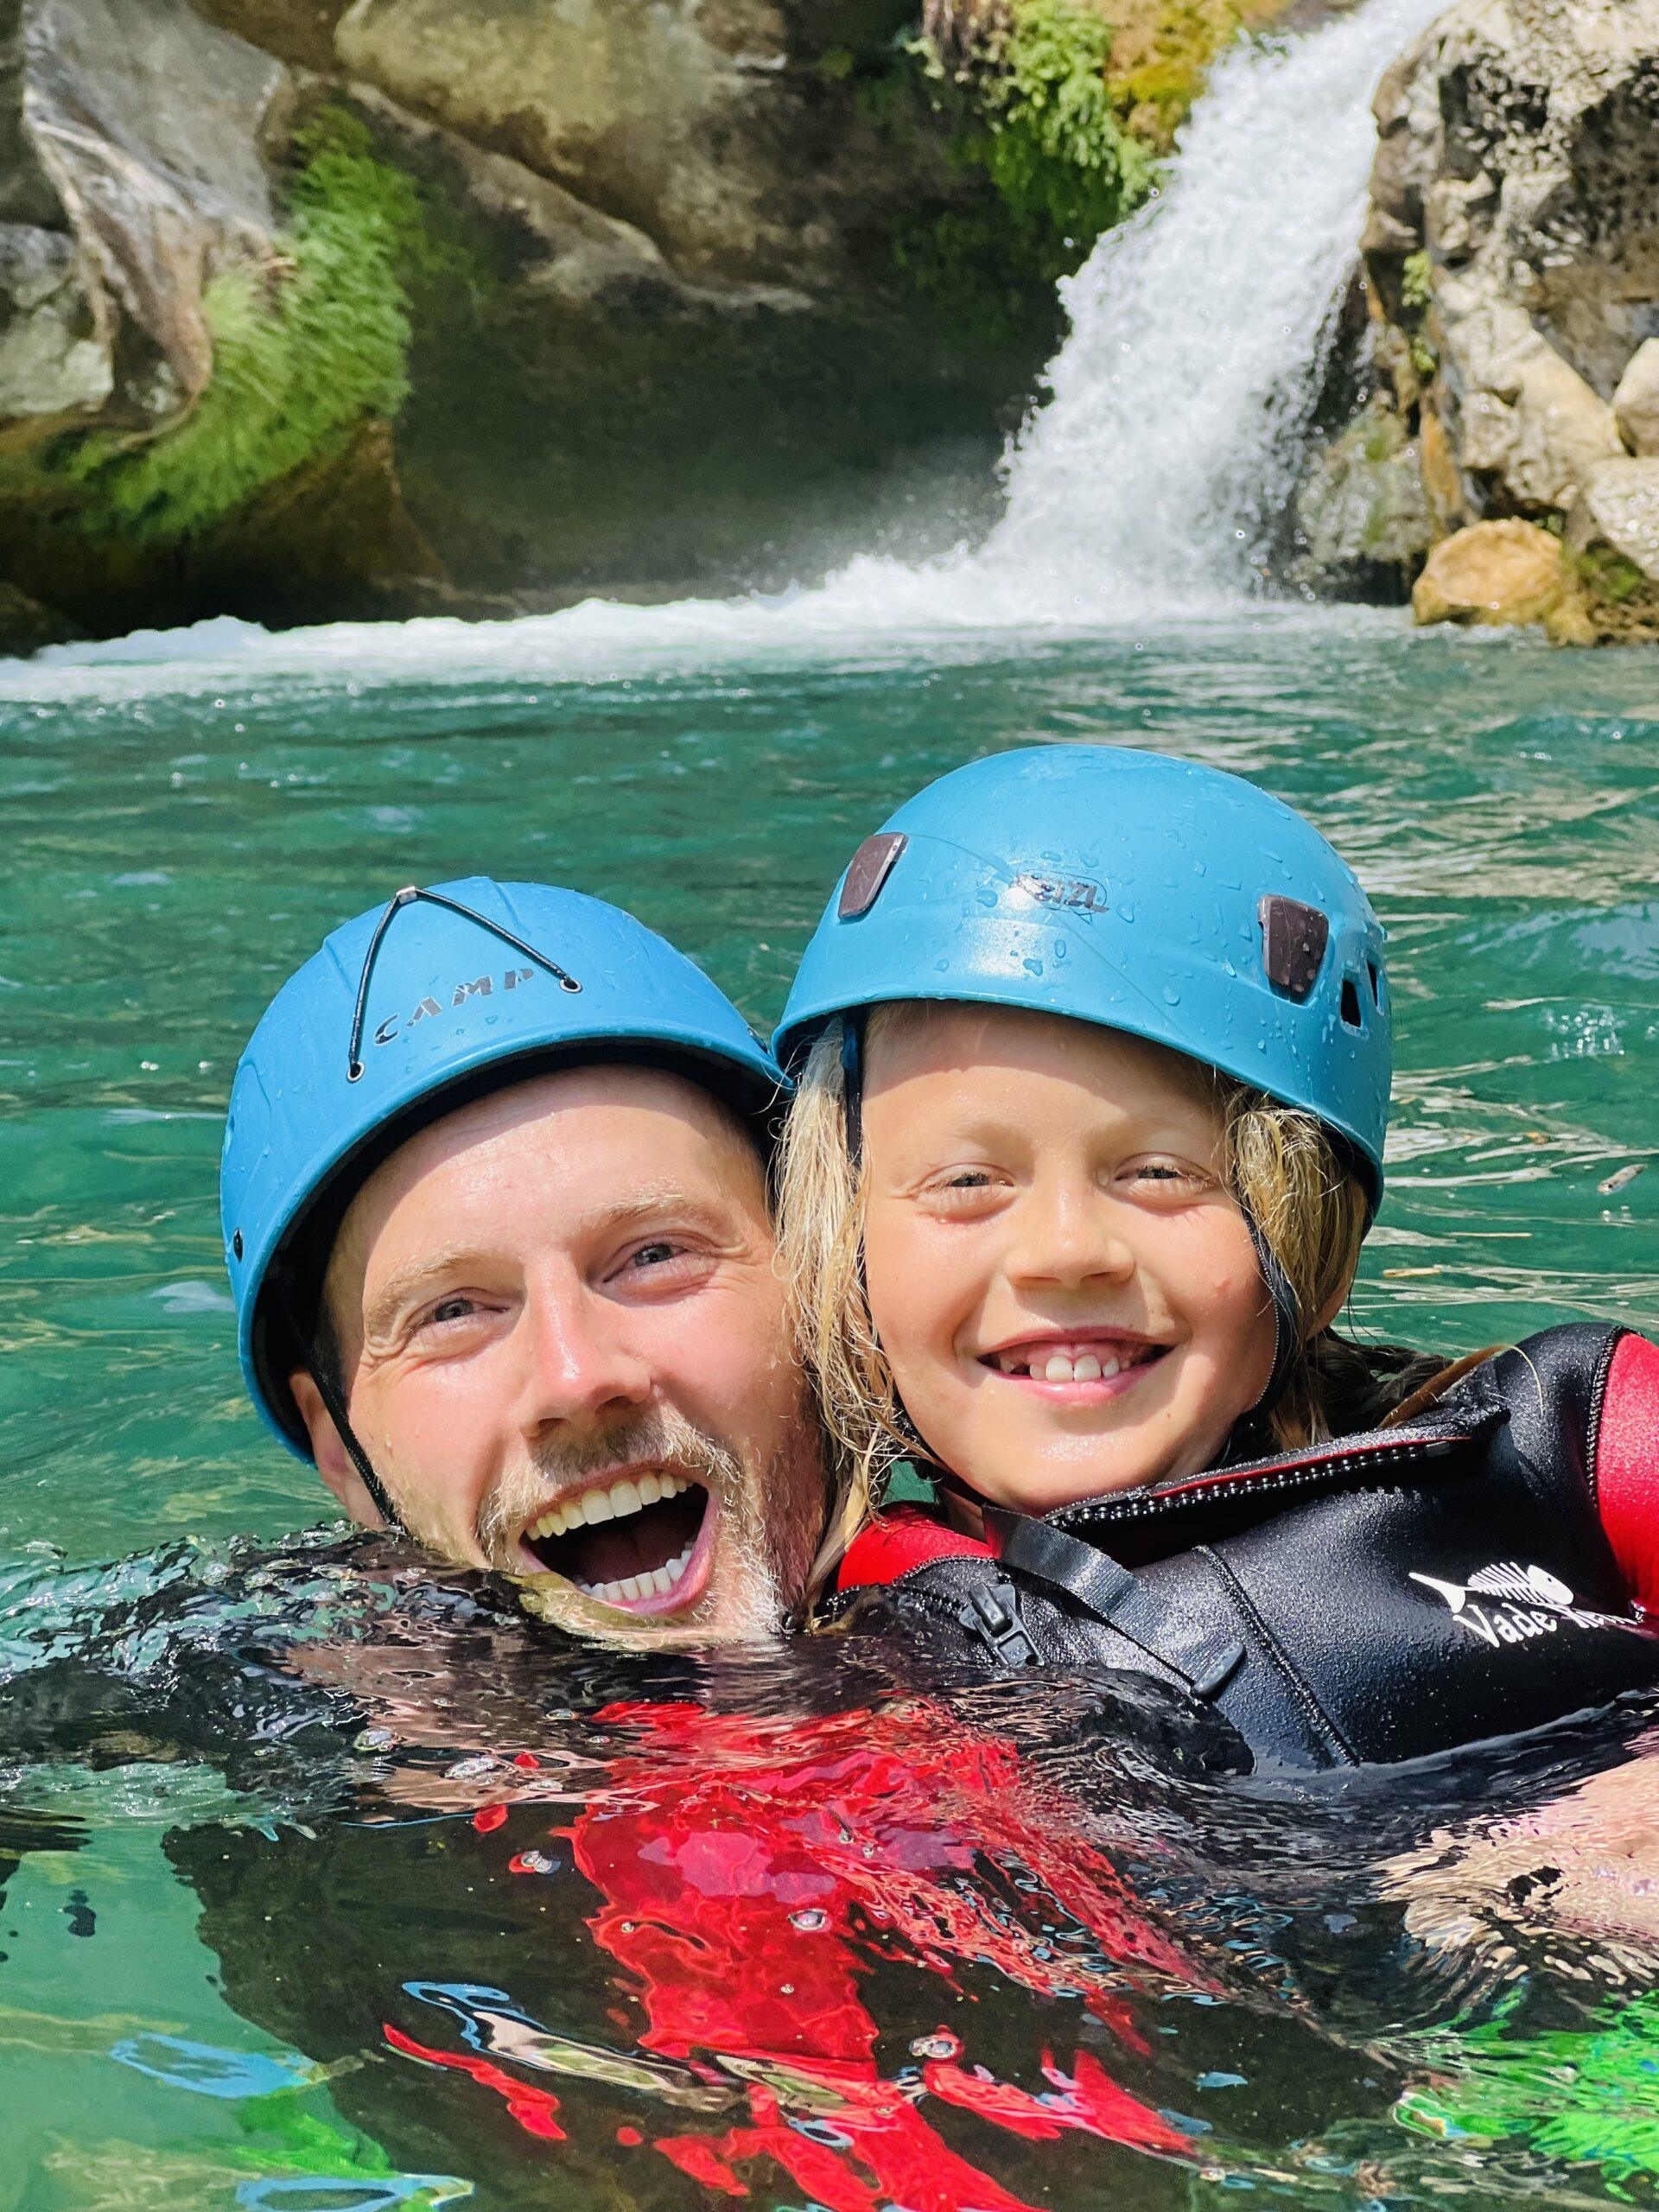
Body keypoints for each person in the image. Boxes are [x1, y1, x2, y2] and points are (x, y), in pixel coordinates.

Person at [774, 745, 1659, 1769]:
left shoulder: (1569, 1441)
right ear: (848, 1246)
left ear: (1308, 1229)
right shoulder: (864, 1663)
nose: (1066, 1251)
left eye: (1160, 1173)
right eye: (966, 1182)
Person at [220, 876, 826, 1648]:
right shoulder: (246, 1714)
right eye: (454, 1312)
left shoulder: (1011, 1618)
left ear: (825, 1286)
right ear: (339, 1451)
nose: (576, 1379)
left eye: (653, 1255)